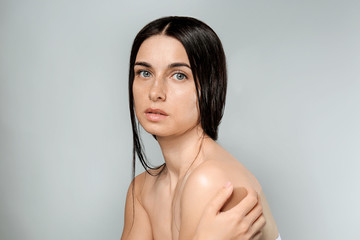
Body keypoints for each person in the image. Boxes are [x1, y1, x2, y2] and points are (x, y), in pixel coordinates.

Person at [121, 16, 280, 240]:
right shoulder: (141, 189)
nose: (155, 92)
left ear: (208, 86)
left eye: (179, 75)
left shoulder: (208, 180)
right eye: (144, 73)